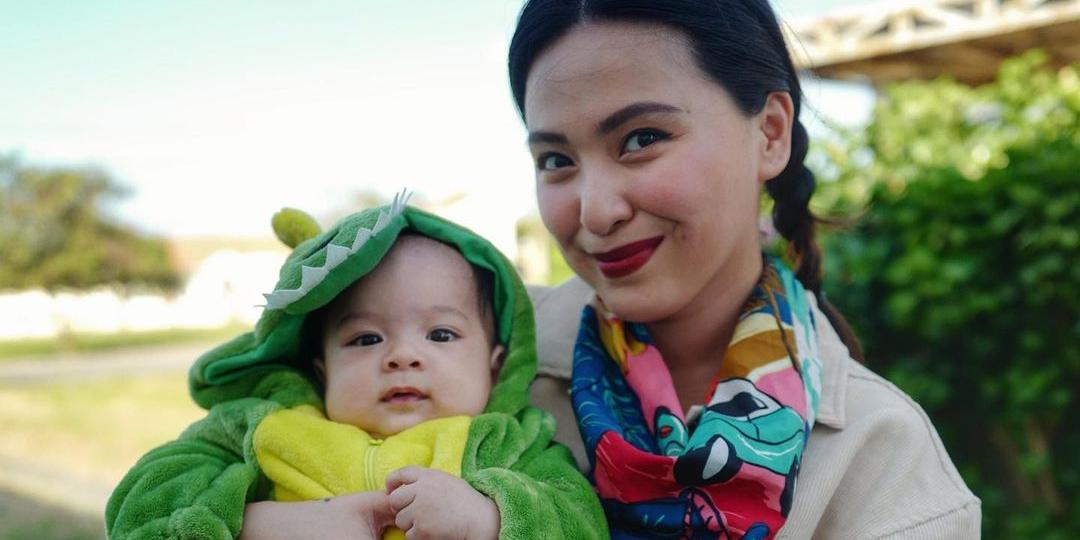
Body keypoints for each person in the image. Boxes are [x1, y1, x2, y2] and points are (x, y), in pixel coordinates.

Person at [508, 1, 982, 538]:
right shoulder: (481, 365)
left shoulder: (887, 470)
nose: (596, 211)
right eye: (556, 160)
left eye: (642, 138)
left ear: (771, 134)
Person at [105, 201, 607, 540]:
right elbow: (142, 506)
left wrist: (488, 518)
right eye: (366, 339)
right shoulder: (262, 429)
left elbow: (581, 522)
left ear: (496, 367)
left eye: (440, 334)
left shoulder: (510, 445)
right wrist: (268, 526)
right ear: (322, 369)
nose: (402, 356)